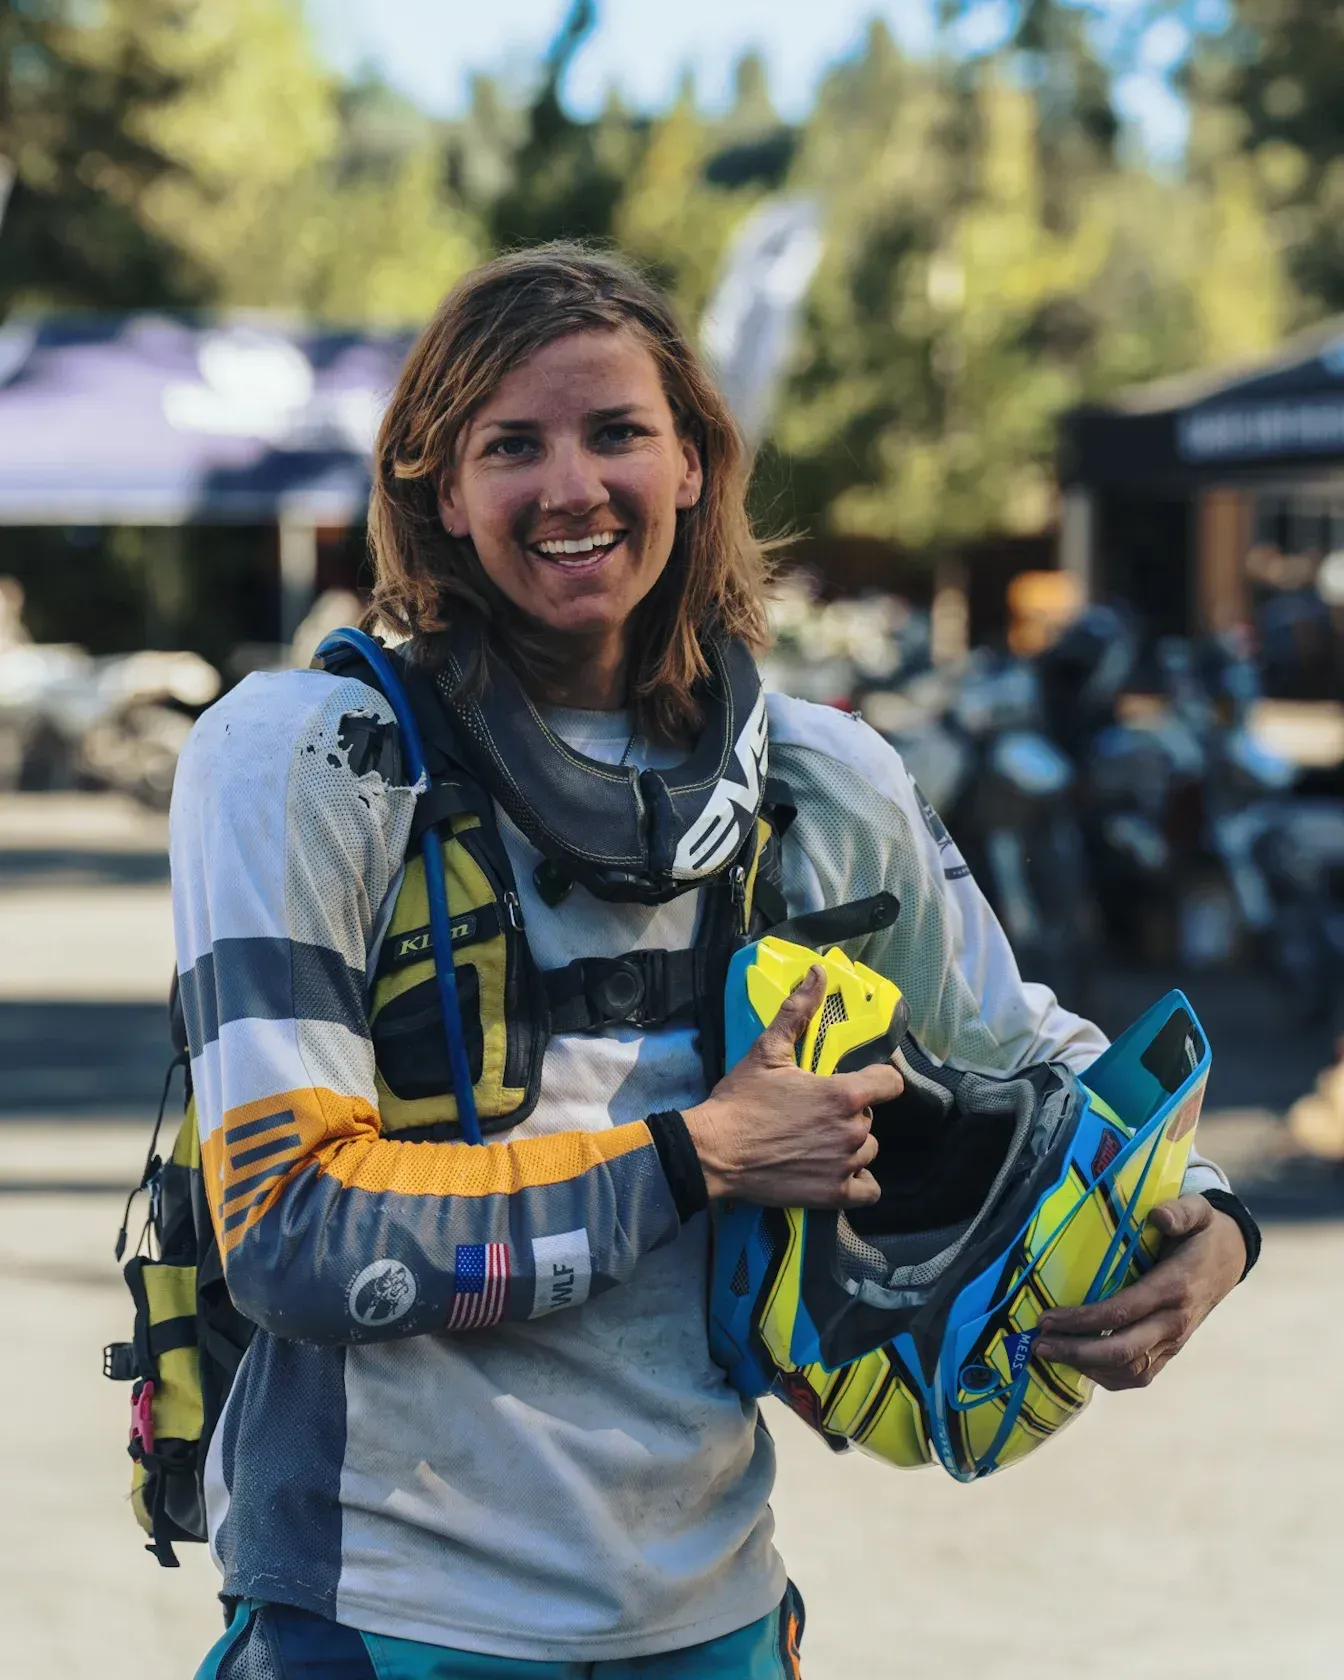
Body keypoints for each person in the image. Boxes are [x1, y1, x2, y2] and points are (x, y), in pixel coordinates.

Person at [176, 246, 1256, 1680]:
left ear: (694, 462)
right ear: (439, 491)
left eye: (617, 431)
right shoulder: (305, 759)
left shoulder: (820, 778)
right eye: (513, 446)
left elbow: (1030, 1051)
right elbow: (287, 1228)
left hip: (713, 1618)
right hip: (384, 1615)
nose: (572, 486)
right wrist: (698, 1155)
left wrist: (1209, 1215)